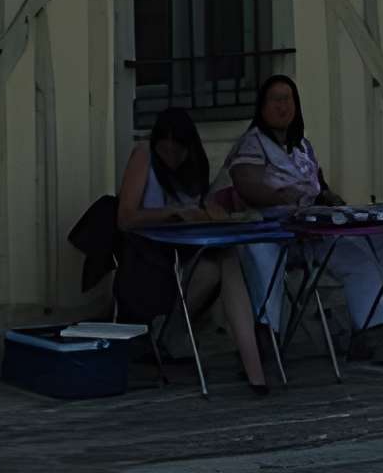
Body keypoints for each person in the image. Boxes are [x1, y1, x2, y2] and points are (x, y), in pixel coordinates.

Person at [227, 75, 383, 353]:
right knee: (263, 262)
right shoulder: (252, 144)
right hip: (268, 232)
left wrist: (331, 200)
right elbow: (246, 185)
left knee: (358, 256)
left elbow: (320, 188)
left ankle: (375, 330)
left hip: (310, 232)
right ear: (262, 106)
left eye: (288, 99)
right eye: (275, 100)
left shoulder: (303, 147)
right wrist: (282, 197)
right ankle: (265, 339)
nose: (282, 106)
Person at [114, 106, 271, 394]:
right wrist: (170, 213)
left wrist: (208, 212)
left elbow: (199, 206)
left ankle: (254, 367)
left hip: (187, 252)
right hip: (148, 258)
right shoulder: (144, 156)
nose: (171, 158)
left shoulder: (194, 168)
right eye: (166, 150)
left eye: (178, 151)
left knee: (226, 259)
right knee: (220, 262)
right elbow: (125, 218)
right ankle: (175, 334)